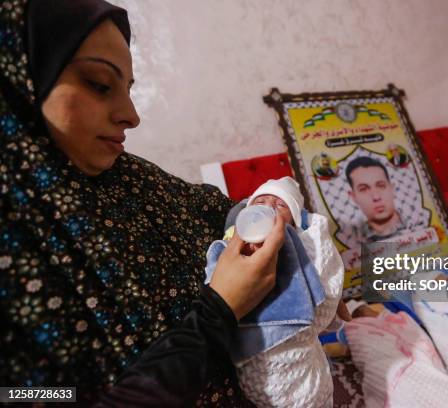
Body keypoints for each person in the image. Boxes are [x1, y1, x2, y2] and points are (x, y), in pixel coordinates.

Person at [0, 1, 285, 406]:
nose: (131, 116)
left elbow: (218, 209)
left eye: (128, 89)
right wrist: (218, 310)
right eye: (100, 84)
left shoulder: (130, 176)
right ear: (20, 77)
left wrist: (271, 209)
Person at [206, 177, 344, 407]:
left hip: (294, 351)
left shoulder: (298, 241)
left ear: (294, 221)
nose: (268, 207)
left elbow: (325, 282)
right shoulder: (233, 240)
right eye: (260, 201)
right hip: (252, 355)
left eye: (280, 205)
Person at [345, 156, 412, 243]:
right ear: (353, 197)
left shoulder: (419, 222)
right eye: (364, 189)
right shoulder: (351, 239)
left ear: (392, 189)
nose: (376, 197)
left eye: (381, 186)